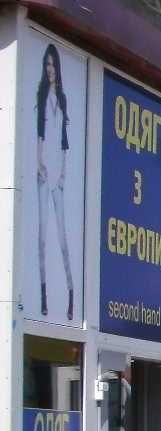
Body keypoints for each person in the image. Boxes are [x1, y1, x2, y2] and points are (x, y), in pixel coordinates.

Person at [35, 43, 75, 321]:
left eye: (53, 64)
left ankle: (71, 293)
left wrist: (62, 173)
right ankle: (43, 294)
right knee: (41, 236)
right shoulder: (41, 97)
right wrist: (39, 164)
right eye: (47, 65)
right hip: (43, 171)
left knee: (62, 238)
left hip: (57, 173)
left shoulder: (62, 99)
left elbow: (64, 141)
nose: (50, 69)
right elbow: (40, 134)